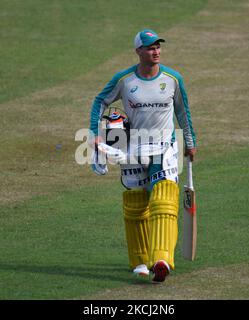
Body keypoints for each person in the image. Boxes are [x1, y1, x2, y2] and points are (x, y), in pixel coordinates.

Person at [89, 29, 196, 282]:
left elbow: (183, 113)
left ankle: (161, 259)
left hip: (164, 147)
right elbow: (100, 102)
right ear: (138, 51)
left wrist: (190, 143)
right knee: (137, 206)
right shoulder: (125, 80)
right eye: (149, 47)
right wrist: (94, 134)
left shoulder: (172, 79)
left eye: (158, 46)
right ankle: (139, 260)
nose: (155, 51)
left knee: (164, 200)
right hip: (134, 147)